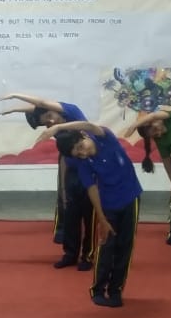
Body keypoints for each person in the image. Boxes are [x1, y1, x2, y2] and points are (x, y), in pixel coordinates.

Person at [42, 121, 142, 308]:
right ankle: (98, 289)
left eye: (81, 147)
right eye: (77, 154)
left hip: (131, 198)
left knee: (125, 247)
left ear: (83, 136)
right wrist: (102, 219)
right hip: (108, 205)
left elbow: (87, 124)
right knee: (106, 247)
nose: (83, 153)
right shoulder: (83, 162)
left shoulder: (105, 138)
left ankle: (116, 290)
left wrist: (57, 128)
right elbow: (92, 188)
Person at [0, 93, 93, 269]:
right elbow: (64, 158)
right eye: (46, 122)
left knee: (89, 216)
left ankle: (88, 256)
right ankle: (70, 254)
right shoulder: (55, 128)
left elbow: (42, 103)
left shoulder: (72, 112)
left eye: (50, 116)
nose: (51, 122)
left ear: (54, 109)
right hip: (72, 173)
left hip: (90, 170)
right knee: (70, 215)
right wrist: (63, 188)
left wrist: (14, 97)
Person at [123, 105, 171, 246]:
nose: (158, 134)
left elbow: (154, 115)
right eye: (154, 136)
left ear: (154, 121)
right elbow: (166, 159)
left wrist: (134, 125)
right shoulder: (160, 139)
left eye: (155, 130)